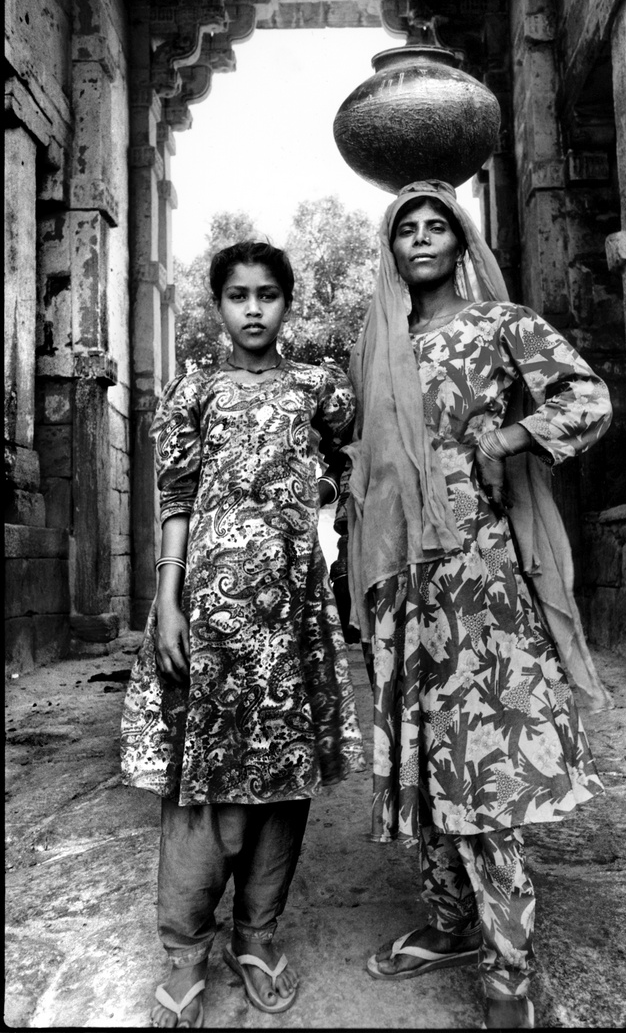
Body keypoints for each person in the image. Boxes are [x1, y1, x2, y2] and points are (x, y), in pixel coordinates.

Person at [339, 180, 613, 1030]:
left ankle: (509, 965)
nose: (420, 238)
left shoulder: (502, 325)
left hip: (475, 573)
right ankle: (453, 924)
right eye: (405, 229)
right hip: (396, 578)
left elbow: (587, 398)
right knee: (420, 757)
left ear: (461, 244)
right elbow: (364, 455)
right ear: (389, 249)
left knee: (482, 758)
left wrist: (506, 434)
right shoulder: (374, 343)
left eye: (436, 226)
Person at [120, 239, 365, 1029]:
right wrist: (167, 600)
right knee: (202, 779)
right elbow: (176, 499)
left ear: (288, 302)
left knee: (281, 775)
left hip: (291, 615)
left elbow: (358, 461)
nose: (253, 307)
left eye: (267, 293)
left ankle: (256, 938)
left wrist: (329, 522)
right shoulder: (194, 392)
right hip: (211, 612)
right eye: (237, 295)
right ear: (217, 305)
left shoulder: (319, 388)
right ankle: (185, 950)